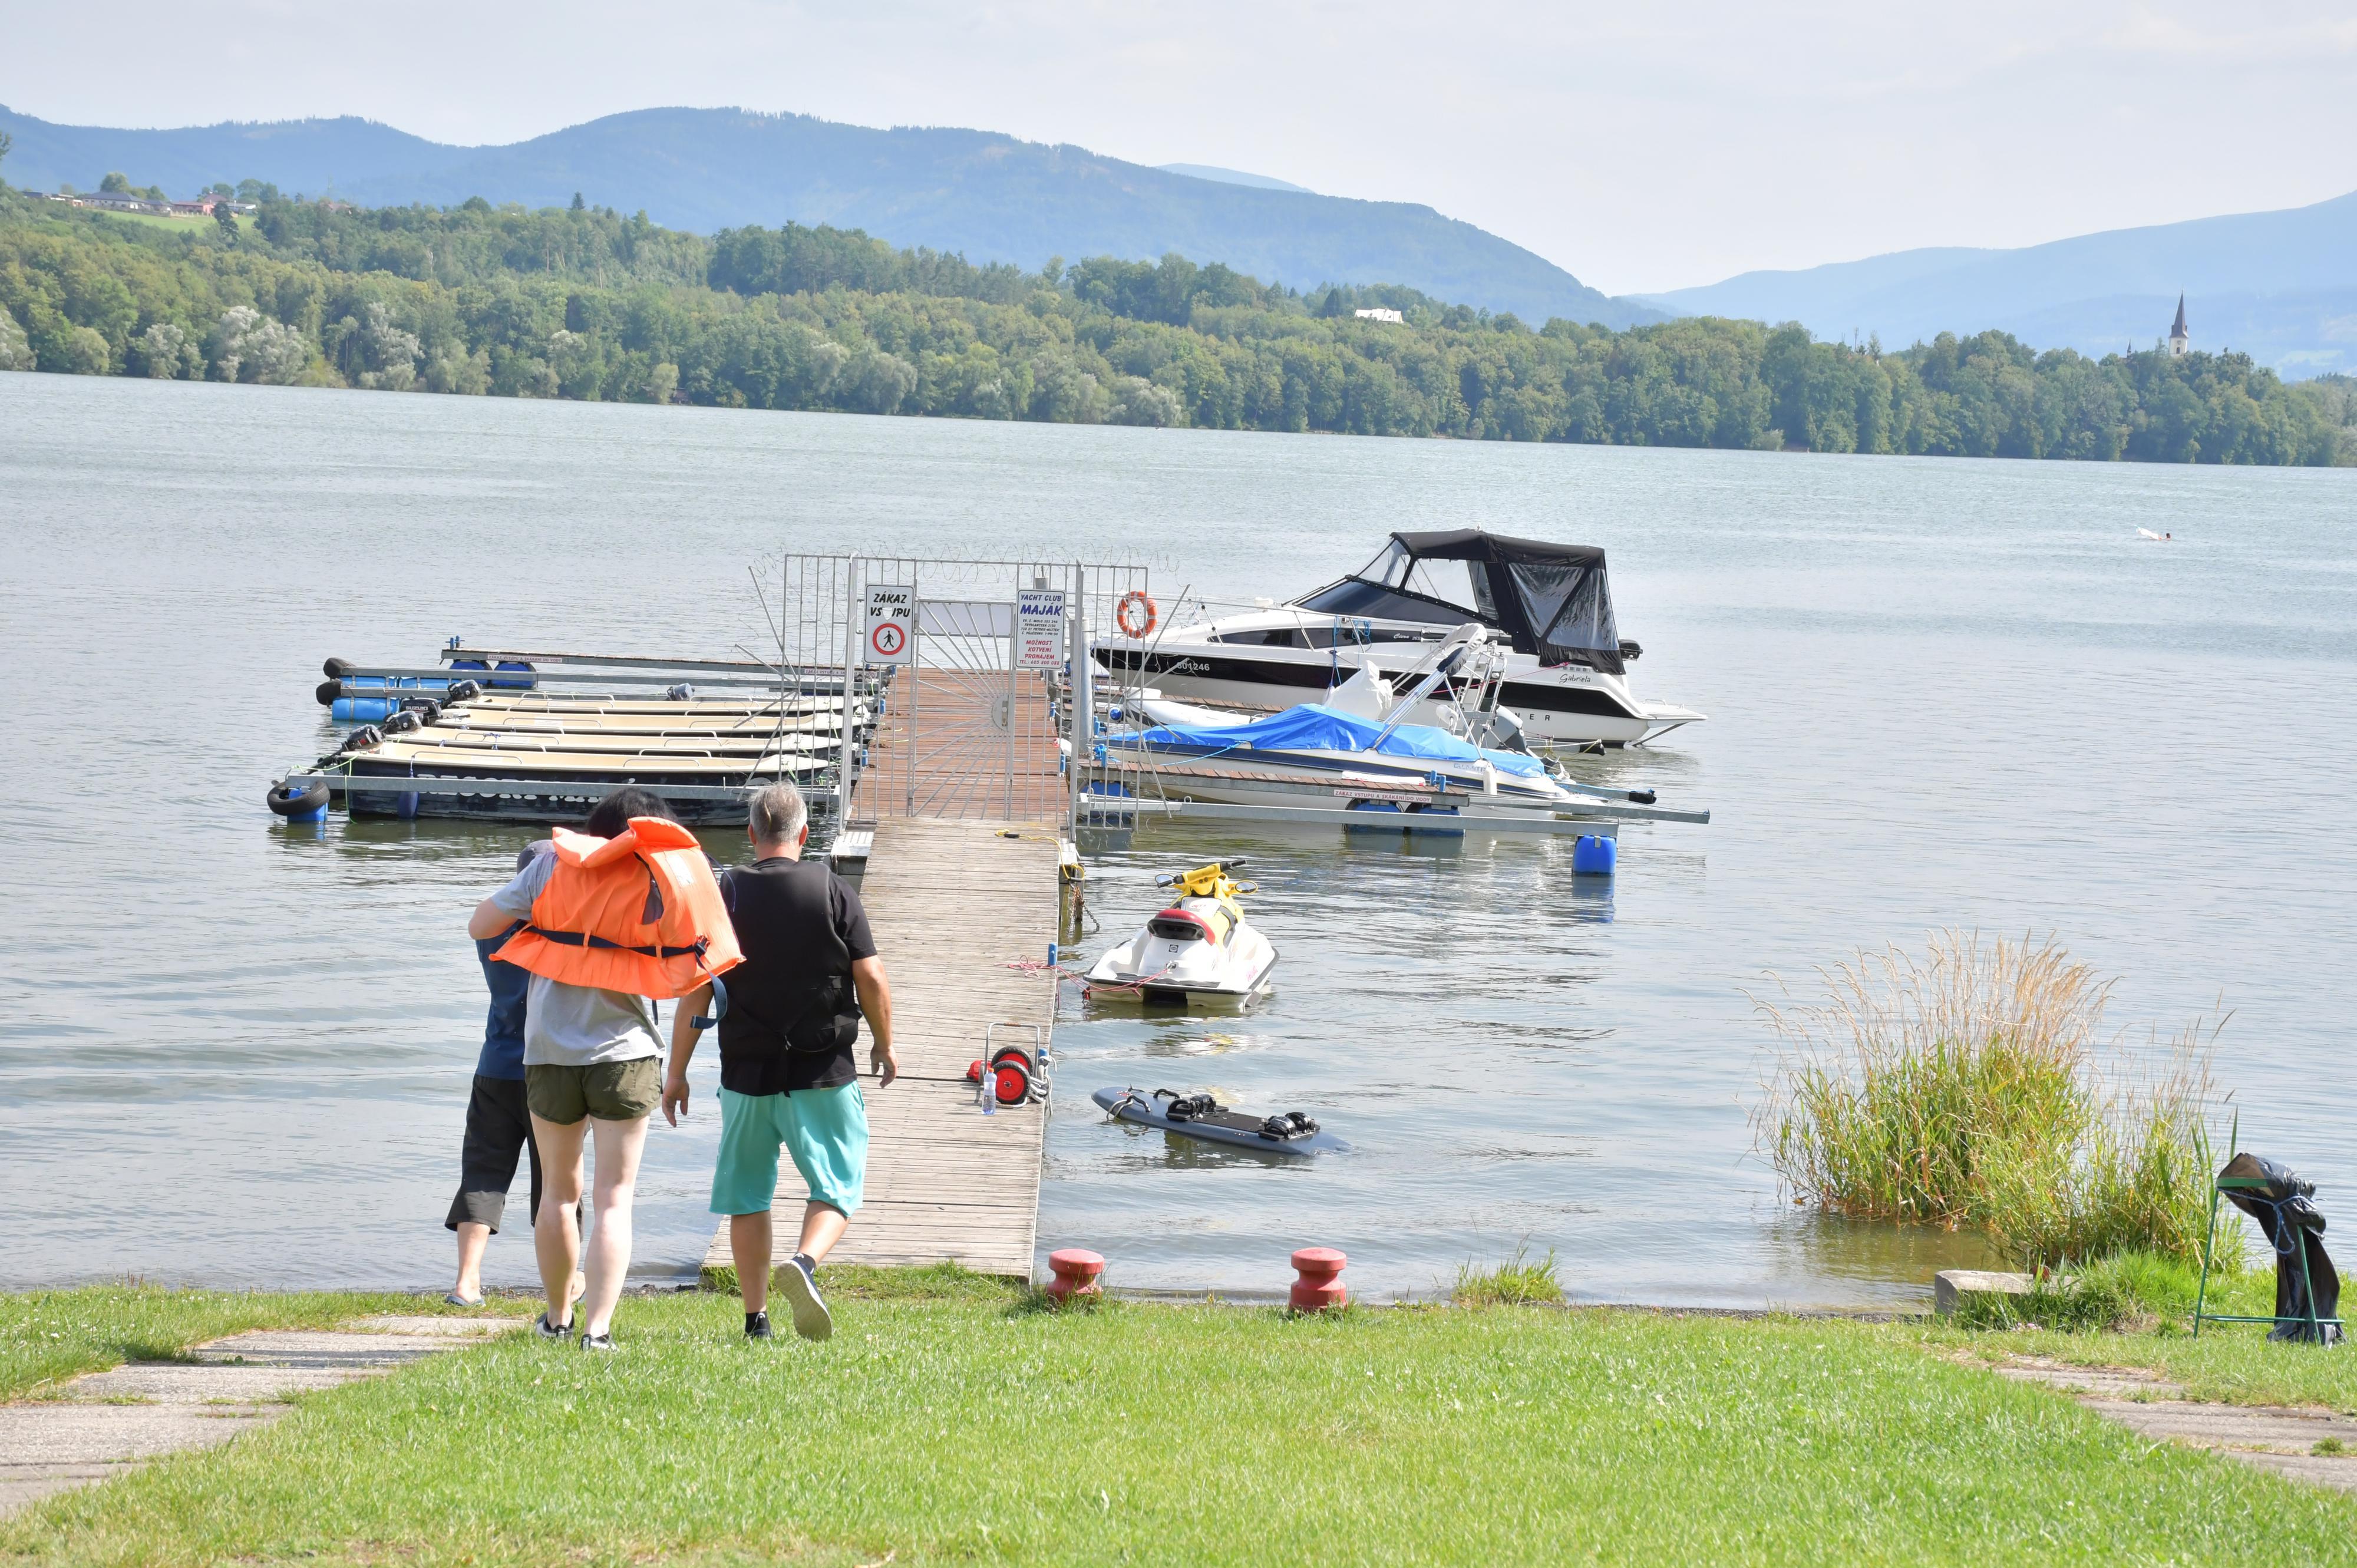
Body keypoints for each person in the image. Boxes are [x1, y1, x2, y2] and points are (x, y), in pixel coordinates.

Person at [468, 785, 741, 1351]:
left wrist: (538, 920)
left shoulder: (547, 867)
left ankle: (556, 1317)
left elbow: (480, 925)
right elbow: (702, 955)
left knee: (558, 1197)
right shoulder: (658, 878)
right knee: (615, 1196)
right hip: (626, 1053)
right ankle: (598, 1331)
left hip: (548, 1052)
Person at [664, 782, 896, 1342]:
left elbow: (696, 992)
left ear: (751, 835)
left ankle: (755, 1319)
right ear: (804, 834)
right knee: (838, 1186)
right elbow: (870, 978)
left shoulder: (725, 895)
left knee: (747, 1196)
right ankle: (807, 1263)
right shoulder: (834, 891)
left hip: (746, 1075)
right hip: (823, 1072)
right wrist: (884, 1044)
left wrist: (675, 1073)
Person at [444, 846, 553, 1306]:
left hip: (495, 1065)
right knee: (557, 1181)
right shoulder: (558, 929)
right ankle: (564, 1283)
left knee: (483, 1172)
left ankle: (467, 1281)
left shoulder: (491, 928)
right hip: (551, 1068)